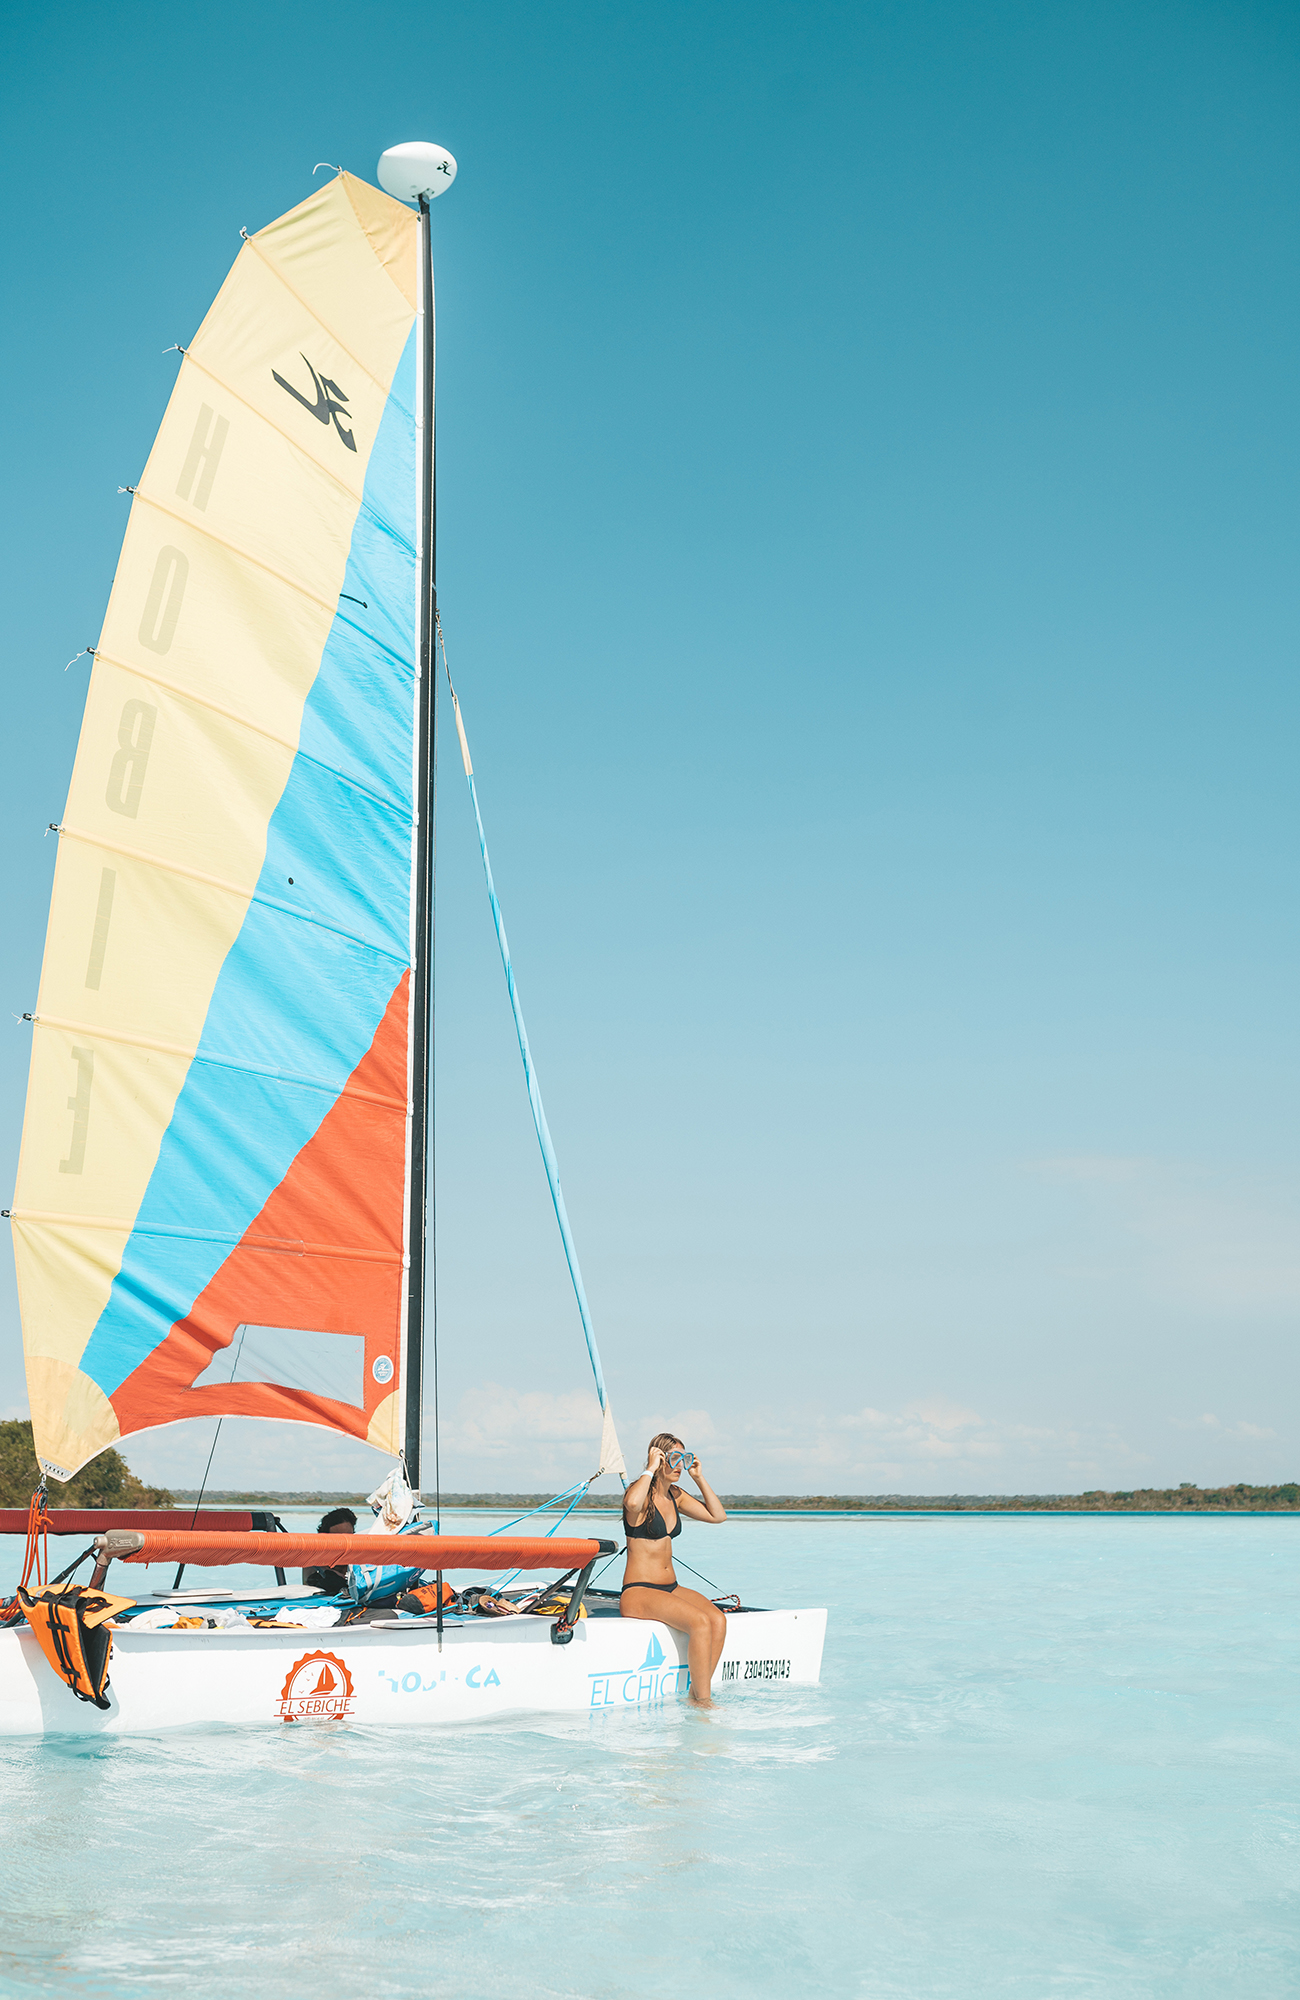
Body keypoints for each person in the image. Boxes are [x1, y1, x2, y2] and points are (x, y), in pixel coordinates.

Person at [620, 1431, 727, 1707]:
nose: (681, 1465)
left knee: (718, 1620)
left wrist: (699, 1477)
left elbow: (718, 1516)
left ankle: (697, 1694)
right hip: (639, 1592)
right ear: (659, 1458)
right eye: (675, 1458)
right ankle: (704, 1702)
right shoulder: (640, 1494)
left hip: (671, 1587)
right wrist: (649, 1469)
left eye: (685, 1458)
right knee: (700, 1623)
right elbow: (631, 1504)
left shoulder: (676, 1496)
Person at [302, 1506, 357, 1594]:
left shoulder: (357, 1552)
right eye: (338, 1538)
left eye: (348, 1537)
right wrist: (329, 1572)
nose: (344, 1543)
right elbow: (308, 1584)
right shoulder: (315, 1555)